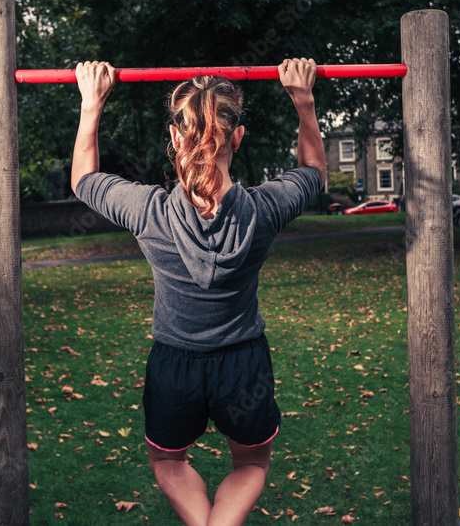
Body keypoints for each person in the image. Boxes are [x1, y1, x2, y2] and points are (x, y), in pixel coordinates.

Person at [71, 58, 327, 526]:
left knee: (168, 461)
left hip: (175, 366)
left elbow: (84, 181)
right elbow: (313, 170)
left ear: (174, 139)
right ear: (237, 137)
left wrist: (92, 102)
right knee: (250, 463)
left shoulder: (148, 212)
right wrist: (303, 101)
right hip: (243, 365)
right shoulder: (266, 210)